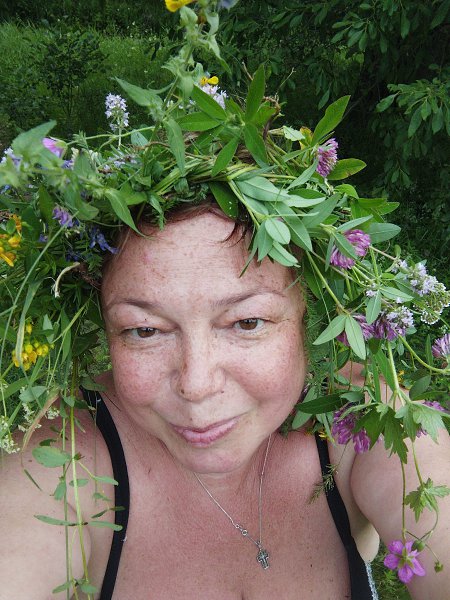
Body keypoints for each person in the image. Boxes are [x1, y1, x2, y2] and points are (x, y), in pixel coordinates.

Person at [1, 204, 449, 600]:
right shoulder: (60, 457)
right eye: (145, 329)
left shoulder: (357, 417)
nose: (196, 385)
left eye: (247, 322)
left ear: (309, 314)